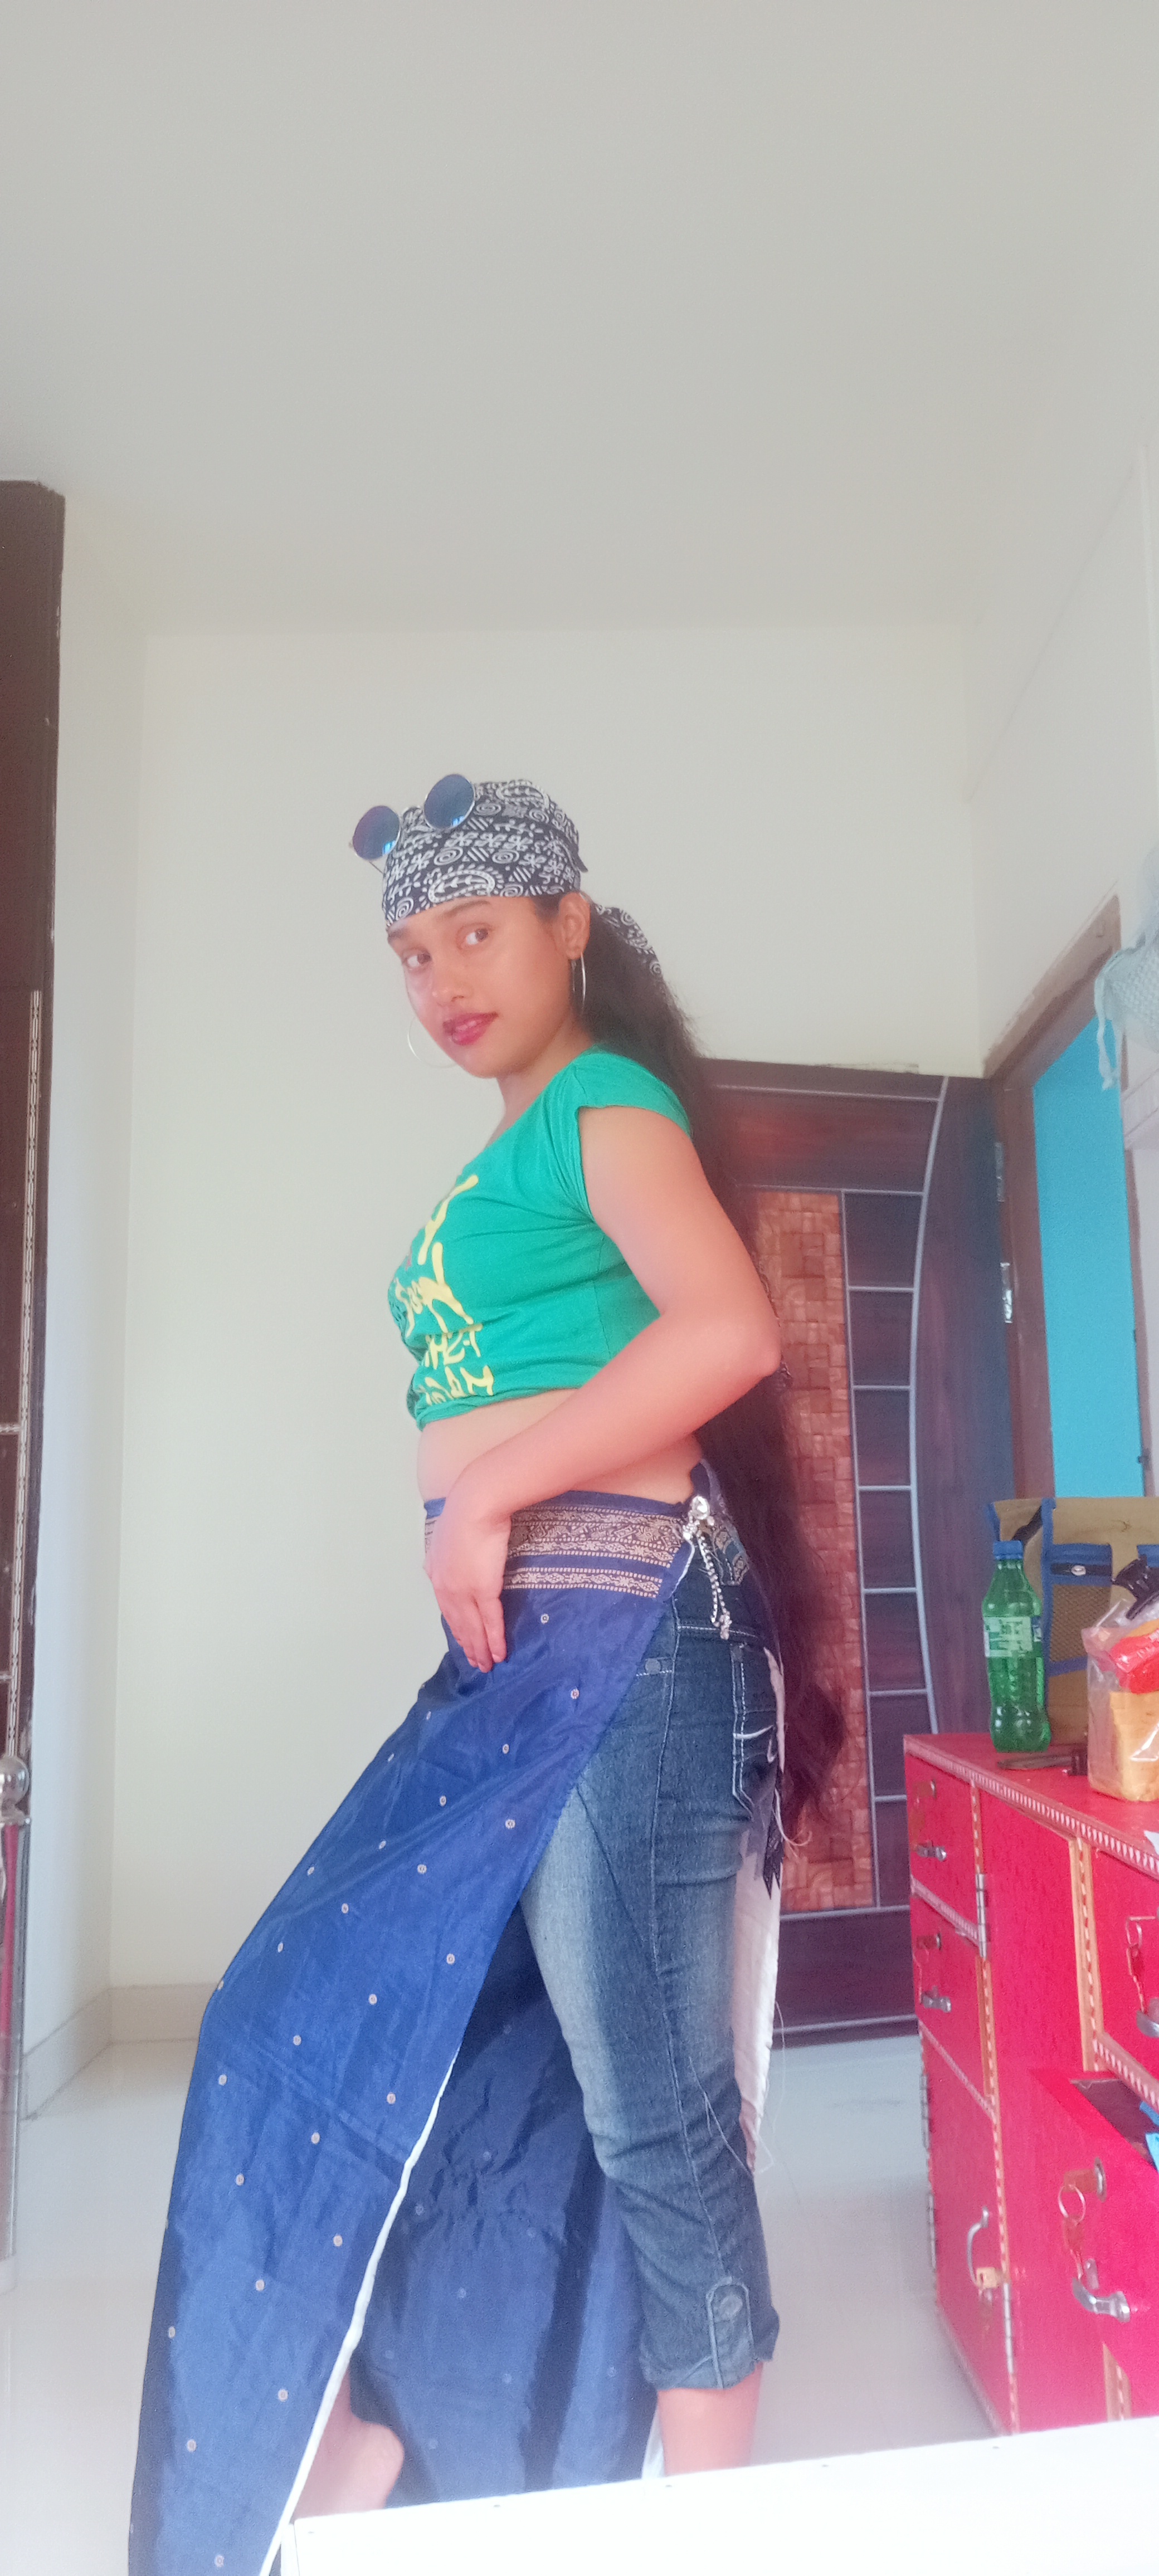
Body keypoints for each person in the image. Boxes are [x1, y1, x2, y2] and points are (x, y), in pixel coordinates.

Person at [129, 778, 843, 2576]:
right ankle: (393, 2426)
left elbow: (729, 1333)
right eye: (411, 953)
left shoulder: (607, 1107)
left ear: (567, 927)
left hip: (629, 1636)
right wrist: (488, 1515)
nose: (442, 978)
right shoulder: (508, 1152)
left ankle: (720, 2526)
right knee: (390, 2033)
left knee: (651, 2107)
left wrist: (498, 1490)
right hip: (531, 1657)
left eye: (476, 933)